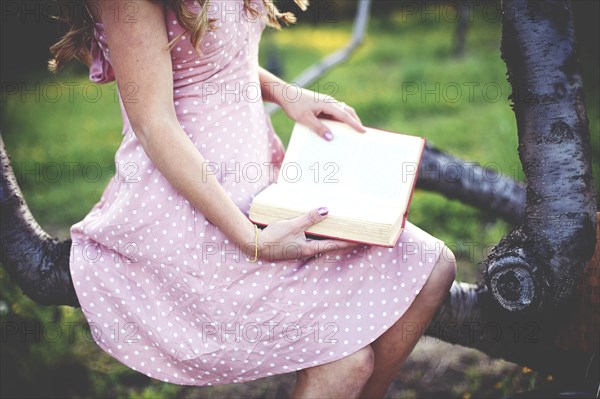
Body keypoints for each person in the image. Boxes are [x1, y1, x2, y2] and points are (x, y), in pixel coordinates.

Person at [51, 0, 456, 397]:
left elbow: (214, 56)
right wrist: (251, 239)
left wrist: (284, 92)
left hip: (260, 189)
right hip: (192, 214)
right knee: (346, 365)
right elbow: (153, 122)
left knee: (435, 266)